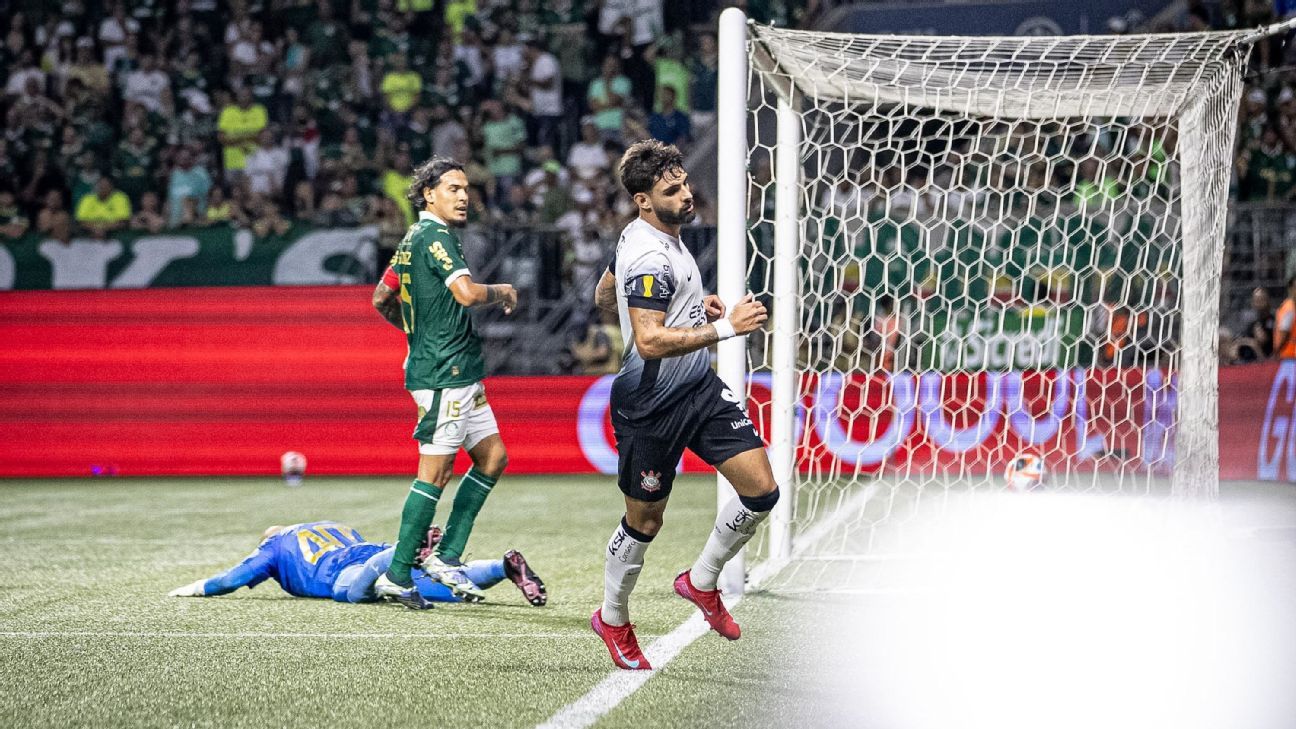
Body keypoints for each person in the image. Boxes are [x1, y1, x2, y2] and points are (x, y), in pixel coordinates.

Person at [589, 140, 777, 670]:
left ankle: (700, 583)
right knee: (645, 523)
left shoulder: (648, 237)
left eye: (685, 183)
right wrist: (722, 327)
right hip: (649, 404)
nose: (687, 195)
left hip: (697, 389)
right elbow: (647, 342)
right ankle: (613, 618)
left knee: (761, 491)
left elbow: (606, 296)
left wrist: (692, 308)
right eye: (672, 191)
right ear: (643, 201)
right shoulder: (649, 254)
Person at [372, 157, 519, 604]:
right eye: (452, 188)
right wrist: (503, 291)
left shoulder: (412, 238)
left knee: (493, 457)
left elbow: (382, 297)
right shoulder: (435, 236)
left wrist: (418, 335)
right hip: (444, 375)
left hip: (459, 371)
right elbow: (467, 293)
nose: (463, 195)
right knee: (434, 474)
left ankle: (448, 556)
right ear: (428, 194)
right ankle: (397, 575)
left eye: (465, 189)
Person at [166, 521, 546, 608]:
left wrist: (196, 587)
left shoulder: (273, 546)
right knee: (452, 586)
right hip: (365, 549)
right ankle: (501, 566)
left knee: (348, 593)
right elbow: (355, 537)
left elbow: (234, 579)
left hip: (341, 570)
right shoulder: (327, 524)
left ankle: (406, 548)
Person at [1275, 275, 1296, 361]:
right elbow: (1284, 334)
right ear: (1290, 289)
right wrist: (1276, 353)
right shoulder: (1289, 309)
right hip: (1288, 356)